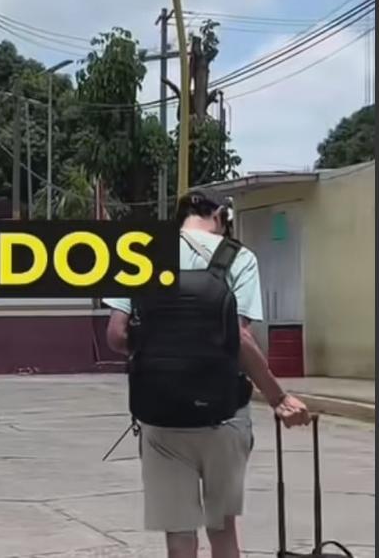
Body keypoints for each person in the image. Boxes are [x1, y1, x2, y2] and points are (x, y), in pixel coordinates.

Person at [104, 191, 311, 558]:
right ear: (219, 215)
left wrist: (162, 348)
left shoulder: (142, 254)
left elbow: (116, 336)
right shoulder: (238, 257)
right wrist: (278, 397)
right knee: (222, 528)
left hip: (160, 417)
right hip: (224, 414)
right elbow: (240, 338)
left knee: (180, 536)